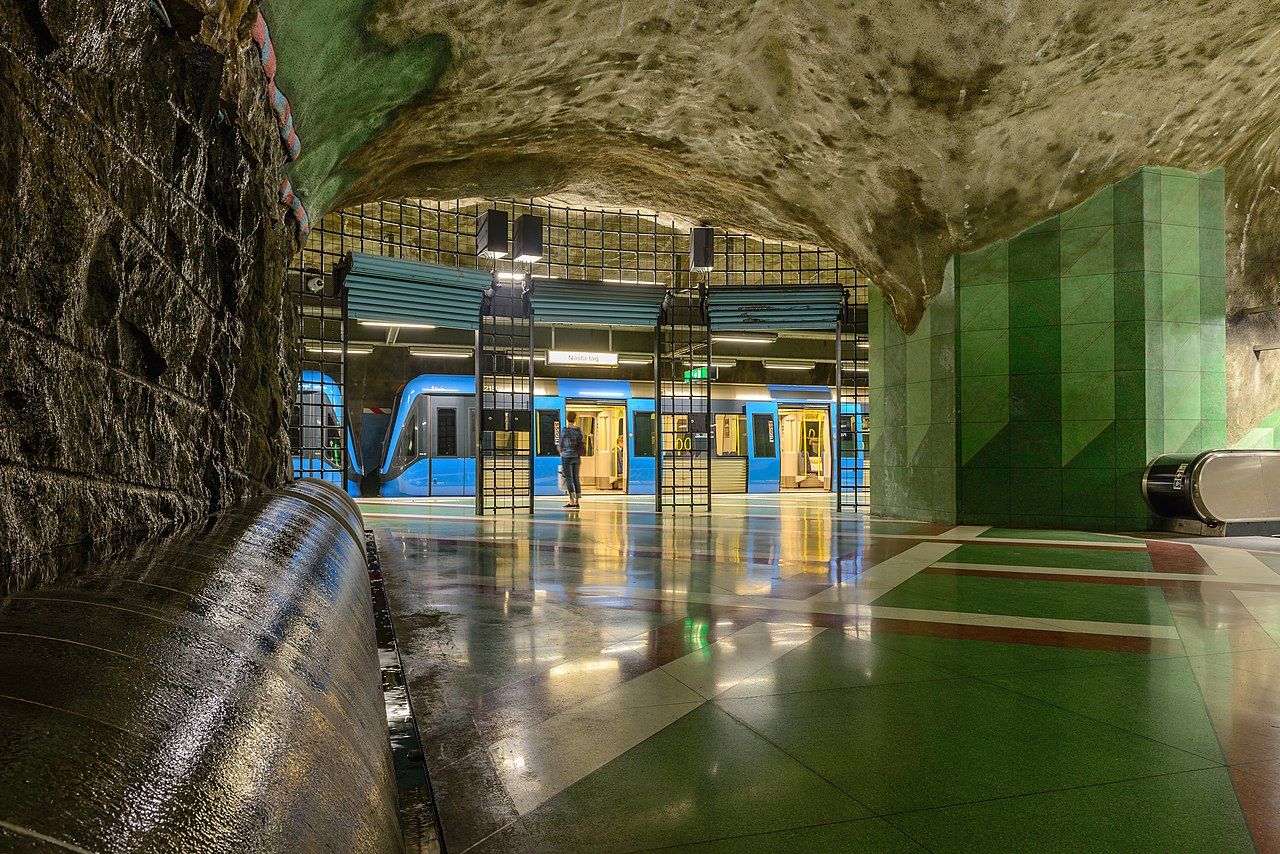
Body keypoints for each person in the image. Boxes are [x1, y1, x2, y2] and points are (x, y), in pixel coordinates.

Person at [559, 413, 585, 508]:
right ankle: (577, 501)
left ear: (567, 418)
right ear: (575, 419)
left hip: (566, 457)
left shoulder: (564, 430)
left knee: (569, 478)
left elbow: (560, 444)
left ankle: (571, 501)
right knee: (576, 478)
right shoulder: (578, 430)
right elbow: (582, 440)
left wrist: (561, 452)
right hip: (576, 457)